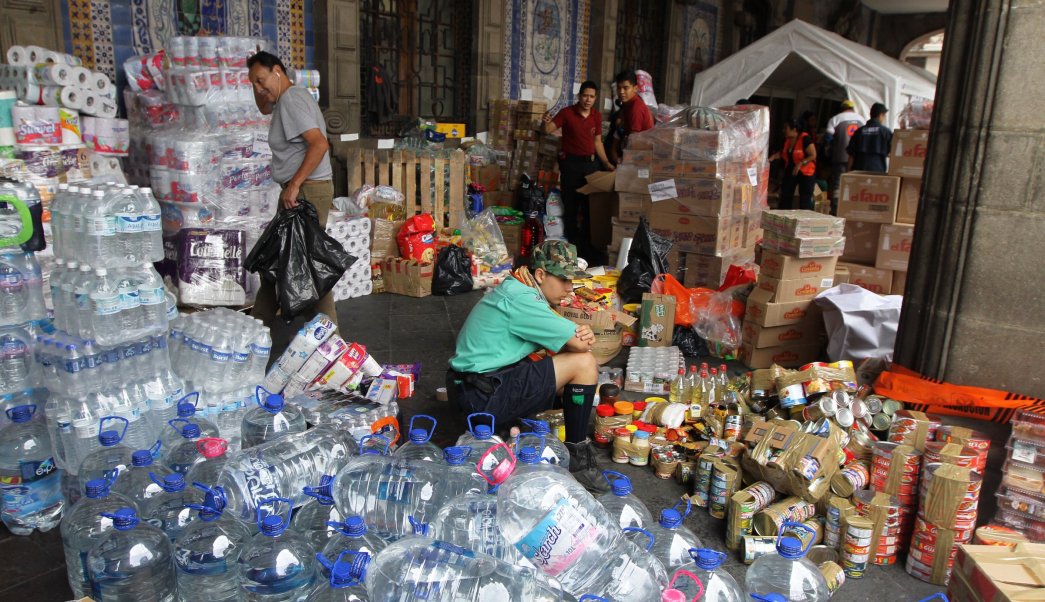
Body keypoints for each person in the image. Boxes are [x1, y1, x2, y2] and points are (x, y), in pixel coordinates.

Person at [446, 240, 605, 491]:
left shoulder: (517, 286)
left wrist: (575, 337)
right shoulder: (523, 300)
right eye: (563, 279)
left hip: (470, 388)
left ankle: (520, 426)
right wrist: (579, 336)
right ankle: (577, 456)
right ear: (540, 275)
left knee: (553, 361)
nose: (569, 288)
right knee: (583, 365)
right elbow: (579, 346)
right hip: (483, 395)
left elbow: (566, 341)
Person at [247, 51, 339, 330]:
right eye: (253, 84)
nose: (259, 88)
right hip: (303, 191)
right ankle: (256, 331)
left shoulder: (291, 100)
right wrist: (260, 87)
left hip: (306, 192)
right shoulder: (283, 101)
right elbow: (263, 107)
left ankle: (330, 341)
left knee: (304, 266)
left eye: (261, 80)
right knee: (282, 262)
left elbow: (320, 144)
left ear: (278, 70)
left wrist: (296, 184)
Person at [541, 81, 613, 263]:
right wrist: (545, 122)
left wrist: (606, 163)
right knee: (571, 208)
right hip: (571, 166)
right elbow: (549, 130)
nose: (588, 99)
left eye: (592, 96)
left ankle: (590, 250)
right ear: (579, 96)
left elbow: (598, 142)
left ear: (595, 99)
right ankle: (573, 250)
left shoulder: (596, 116)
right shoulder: (567, 113)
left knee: (589, 209)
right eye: (585, 95)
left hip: (591, 166)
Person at [606, 70, 655, 165]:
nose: (621, 92)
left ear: (635, 88)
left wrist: (623, 162)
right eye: (619, 88)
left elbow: (633, 140)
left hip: (639, 157)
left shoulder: (636, 108)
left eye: (625, 88)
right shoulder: (626, 105)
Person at [825, 100, 866, 212]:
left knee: (838, 182)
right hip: (857, 158)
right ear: (853, 108)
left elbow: (828, 138)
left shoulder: (835, 119)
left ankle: (836, 208)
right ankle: (852, 207)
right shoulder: (862, 119)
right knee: (855, 182)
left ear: (842, 108)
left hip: (840, 155)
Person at [769, 119, 817, 210]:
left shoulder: (805, 138)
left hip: (806, 171)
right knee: (786, 193)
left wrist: (800, 164)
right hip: (791, 168)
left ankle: (805, 218)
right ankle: (784, 215)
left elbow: (813, 155)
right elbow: (783, 153)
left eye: (786, 128)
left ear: (794, 130)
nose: (784, 130)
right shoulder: (787, 140)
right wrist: (771, 158)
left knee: (805, 196)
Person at [848, 102, 892, 173]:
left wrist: (848, 172)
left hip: (858, 172)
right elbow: (892, 153)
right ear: (881, 115)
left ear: (870, 114)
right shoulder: (886, 132)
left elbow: (851, 155)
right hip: (878, 172)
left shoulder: (859, 131)